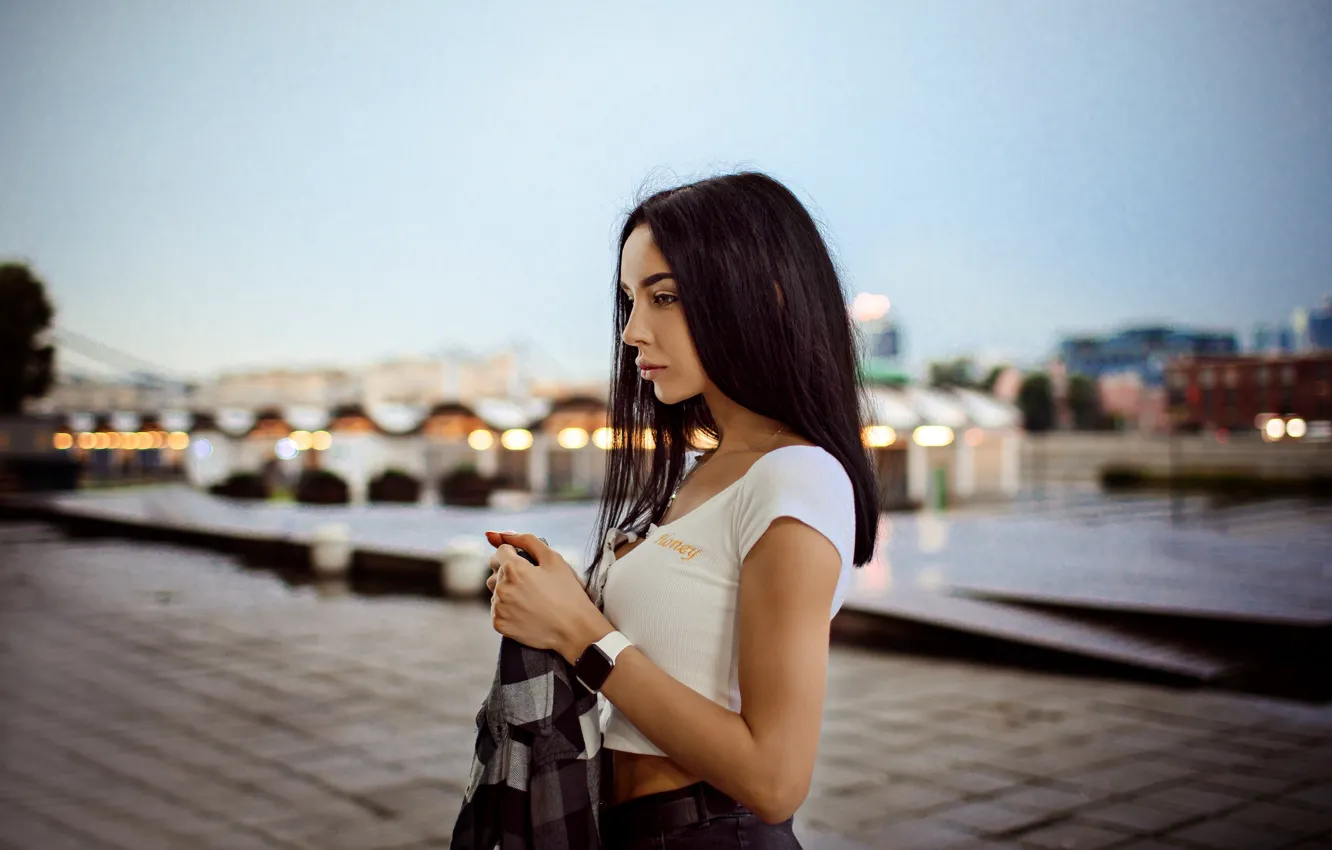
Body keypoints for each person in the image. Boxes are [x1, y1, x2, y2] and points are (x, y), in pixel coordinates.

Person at [483, 171, 881, 849]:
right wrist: (555, 600)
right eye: (628, 300)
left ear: (766, 297)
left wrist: (582, 634)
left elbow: (775, 778)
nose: (633, 330)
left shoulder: (799, 479)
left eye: (664, 296)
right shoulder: (704, 473)